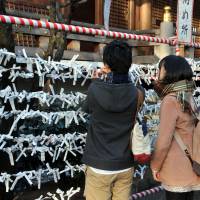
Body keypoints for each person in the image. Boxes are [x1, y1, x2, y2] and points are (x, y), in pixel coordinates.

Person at [82, 40, 144, 200]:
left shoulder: (95, 89)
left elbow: (86, 109)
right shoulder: (138, 93)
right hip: (125, 164)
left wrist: (97, 80)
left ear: (106, 64)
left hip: (99, 164)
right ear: (129, 64)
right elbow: (128, 87)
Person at [151, 55, 200, 200]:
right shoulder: (188, 95)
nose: (158, 72)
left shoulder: (170, 100)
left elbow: (163, 142)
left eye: (160, 68)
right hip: (193, 166)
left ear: (168, 71)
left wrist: (155, 166)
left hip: (176, 170)